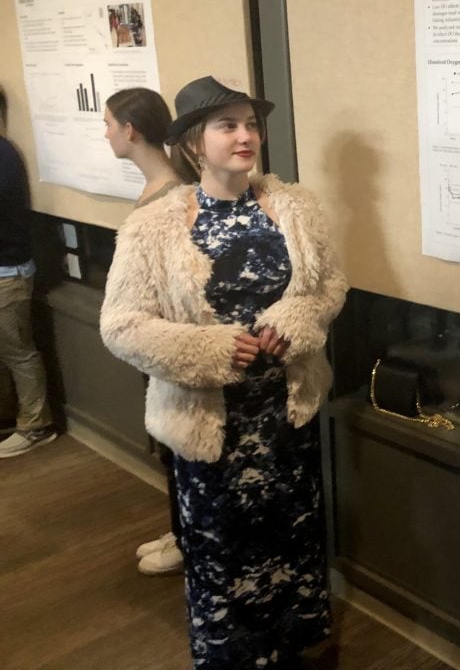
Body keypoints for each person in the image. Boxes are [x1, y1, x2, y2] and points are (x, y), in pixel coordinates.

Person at [100, 76, 347, 668]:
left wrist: (297, 316)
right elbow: (120, 324)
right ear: (192, 142)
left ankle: (291, 644)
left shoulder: (295, 207)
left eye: (251, 124)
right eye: (227, 126)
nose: (245, 136)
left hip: (286, 415)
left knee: (293, 537)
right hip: (210, 425)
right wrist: (207, 350)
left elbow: (329, 285)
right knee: (222, 551)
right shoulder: (156, 225)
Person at [103, 87, 200, 575]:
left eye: (109, 124)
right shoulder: (165, 184)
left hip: (171, 337)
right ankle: (181, 529)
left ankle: (187, 538)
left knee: (178, 440)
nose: (106, 134)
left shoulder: (172, 192)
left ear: (130, 130)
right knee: (168, 438)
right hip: (156, 333)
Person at [0, 84, 57, 459]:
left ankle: (37, 426)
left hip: (8, 272)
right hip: (8, 269)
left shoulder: (3, 154)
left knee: (19, 351)